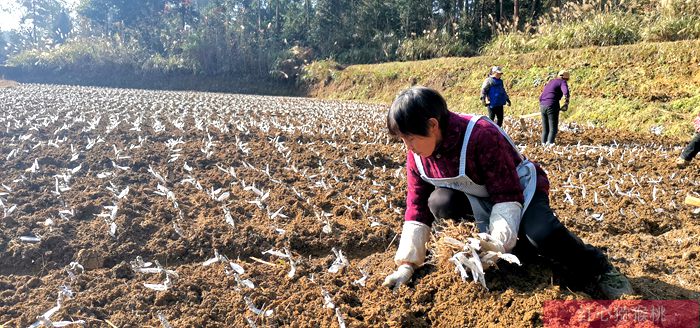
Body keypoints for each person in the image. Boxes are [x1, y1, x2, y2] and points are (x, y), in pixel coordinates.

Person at [382, 86, 633, 299]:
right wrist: (406, 265)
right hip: (479, 197)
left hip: (517, 191)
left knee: (541, 234)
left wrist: (495, 244)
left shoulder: (480, 135)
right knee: (440, 201)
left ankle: (599, 267)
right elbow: (417, 205)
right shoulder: (417, 155)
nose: (408, 147)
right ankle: (512, 253)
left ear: (433, 125)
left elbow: (506, 195)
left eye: (410, 138)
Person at [539, 70, 570, 144]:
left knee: (545, 129)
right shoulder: (562, 82)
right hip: (552, 105)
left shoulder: (551, 81)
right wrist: (566, 102)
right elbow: (566, 92)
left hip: (542, 105)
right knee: (553, 128)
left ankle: (543, 144)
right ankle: (549, 144)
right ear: (565, 78)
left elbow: (541, 96)